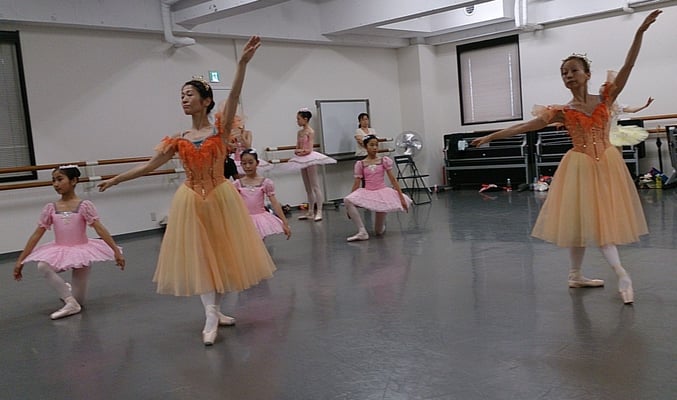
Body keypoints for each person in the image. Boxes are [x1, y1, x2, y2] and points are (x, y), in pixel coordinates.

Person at [471, 10, 661, 305]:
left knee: (599, 221)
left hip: (607, 164)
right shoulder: (562, 111)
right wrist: (491, 136)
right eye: (564, 73)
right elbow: (524, 126)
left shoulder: (606, 98)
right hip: (580, 166)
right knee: (581, 221)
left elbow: (629, 65)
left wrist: (640, 32)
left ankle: (584, 274)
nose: (568, 76)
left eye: (573, 70)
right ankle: (612, 273)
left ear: (587, 74)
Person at [98, 36, 276, 345]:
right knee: (202, 257)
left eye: (189, 94)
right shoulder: (178, 138)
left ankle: (215, 311)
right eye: (181, 95)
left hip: (220, 197)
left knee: (222, 256)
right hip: (191, 199)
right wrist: (117, 179)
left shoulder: (220, 130)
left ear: (205, 101)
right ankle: (210, 314)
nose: (183, 99)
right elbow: (149, 166)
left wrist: (242, 64)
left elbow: (234, 95)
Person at [13, 165, 125, 320]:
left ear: (73, 181)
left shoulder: (84, 205)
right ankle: (69, 300)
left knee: (80, 301)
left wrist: (116, 251)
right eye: (53, 180)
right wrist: (21, 260)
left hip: (81, 252)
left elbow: (100, 229)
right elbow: (36, 235)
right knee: (43, 265)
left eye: (60, 179)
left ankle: (68, 293)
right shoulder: (51, 208)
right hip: (59, 250)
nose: (56, 184)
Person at [343, 135, 411, 241]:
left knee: (378, 231)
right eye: (371, 145)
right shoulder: (361, 164)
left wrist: (401, 198)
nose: (375, 147)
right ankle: (362, 231)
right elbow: (357, 183)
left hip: (382, 193)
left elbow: (393, 180)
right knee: (347, 200)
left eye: (376, 145)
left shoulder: (383, 160)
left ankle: (380, 227)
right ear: (365, 147)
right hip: (368, 191)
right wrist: (350, 204)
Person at [286, 108, 337, 222]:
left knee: (315, 186)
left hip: (309, 158)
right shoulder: (299, 132)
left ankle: (319, 211)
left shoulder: (310, 132)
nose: (297, 121)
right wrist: (298, 151)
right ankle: (310, 211)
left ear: (305, 119)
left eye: (298, 119)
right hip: (301, 158)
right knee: (307, 187)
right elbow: (297, 147)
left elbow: (309, 149)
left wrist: (301, 151)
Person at [234, 148, 291, 240]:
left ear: (257, 163)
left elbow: (274, 203)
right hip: (244, 218)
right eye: (244, 163)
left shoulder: (265, 182)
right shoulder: (237, 184)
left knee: (260, 242)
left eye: (250, 162)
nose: (247, 166)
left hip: (260, 218)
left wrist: (284, 222)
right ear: (241, 164)